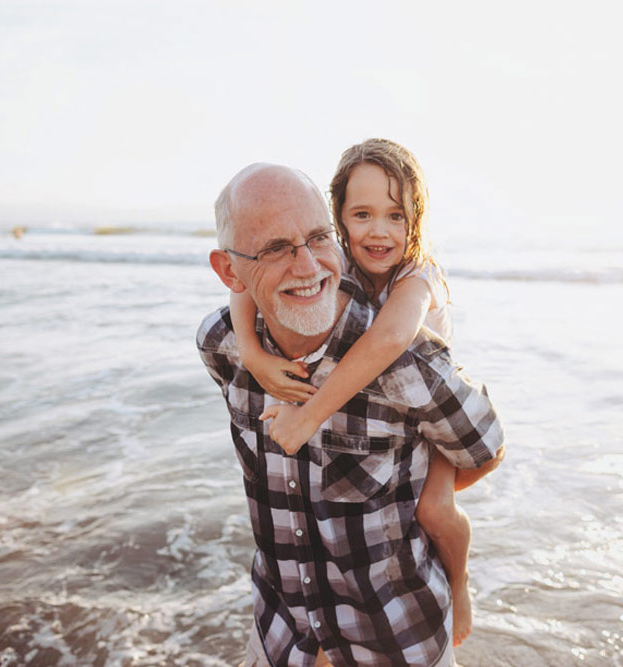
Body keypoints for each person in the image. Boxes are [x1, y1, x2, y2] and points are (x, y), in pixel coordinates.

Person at [197, 162, 505, 666]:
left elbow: (485, 447)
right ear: (230, 270)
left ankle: (460, 588)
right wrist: (253, 354)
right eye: (276, 248)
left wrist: (419, 489)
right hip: (281, 635)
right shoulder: (225, 346)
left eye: (317, 239)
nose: (306, 266)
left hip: (396, 640)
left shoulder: (408, 359)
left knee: (438, 509)